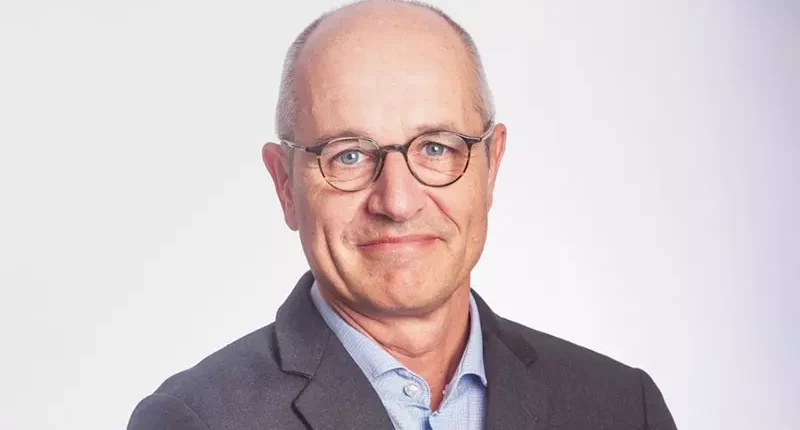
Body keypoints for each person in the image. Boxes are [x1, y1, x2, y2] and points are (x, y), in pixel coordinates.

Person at [128, 1, 677, 429]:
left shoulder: (623, 408)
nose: (396, 201)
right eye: (348, 155)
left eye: (436, 148)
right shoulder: (197, 421)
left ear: (491, 166)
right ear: (285, 185)